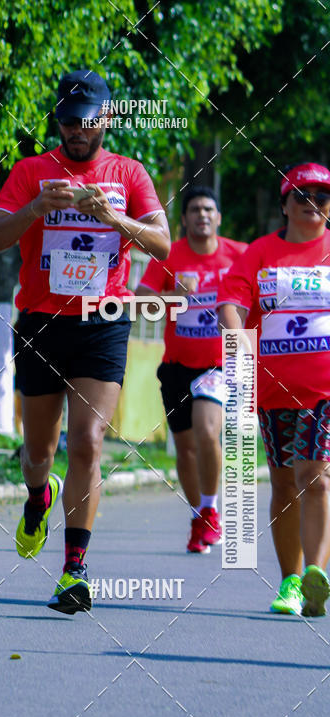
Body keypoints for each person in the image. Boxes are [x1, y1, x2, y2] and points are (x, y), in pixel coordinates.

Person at [0, 69, 170, 614]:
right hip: (41, 323)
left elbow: (162, 244)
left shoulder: (129, 173)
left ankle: (73, 570)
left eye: (87, 122)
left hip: (103, 321)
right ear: (57, 122)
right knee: (39, 452)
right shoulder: (31, 171)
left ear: (106, 118)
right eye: (68, 122)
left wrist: (113, 216)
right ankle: (39, 495)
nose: (77, 132)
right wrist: (37, 209)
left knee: (87, 442)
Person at [217, 162, 330, 616]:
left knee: (316, 477)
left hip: (324, 387)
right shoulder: (260, 253)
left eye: (322, 197)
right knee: (284, 486)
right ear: (284, 204)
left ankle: (315, 575)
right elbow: (231, 303)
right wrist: (238, 344)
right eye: (302, 197)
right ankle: (289, 581)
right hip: (271, 390)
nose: (313, 205)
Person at [136, 187, 247, 553]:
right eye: (195, 209)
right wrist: (175, 296)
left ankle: (212, 510)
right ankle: (200, 516)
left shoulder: (239, 255)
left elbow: (259, 296)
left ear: (218, 217)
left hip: (218, 364)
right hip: (176, 367)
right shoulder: (170, 255)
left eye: (209, 209)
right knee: (184, 449)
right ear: (183, 219)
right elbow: (141, 302)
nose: (202, 215)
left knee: (206, 429)